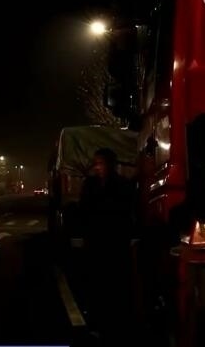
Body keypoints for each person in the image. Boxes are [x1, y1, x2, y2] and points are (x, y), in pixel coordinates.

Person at [79, 147, 137, 345]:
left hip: (115, 242)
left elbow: (128, 211)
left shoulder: (122, 185)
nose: (98, 168)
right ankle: (98, 323)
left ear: (111, 165)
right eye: (96, 164)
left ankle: (117, 324)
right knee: (96, 284)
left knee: (116, 284)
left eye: (101, 163)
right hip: (96, 241)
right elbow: (84, 209)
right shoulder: (90, 184)